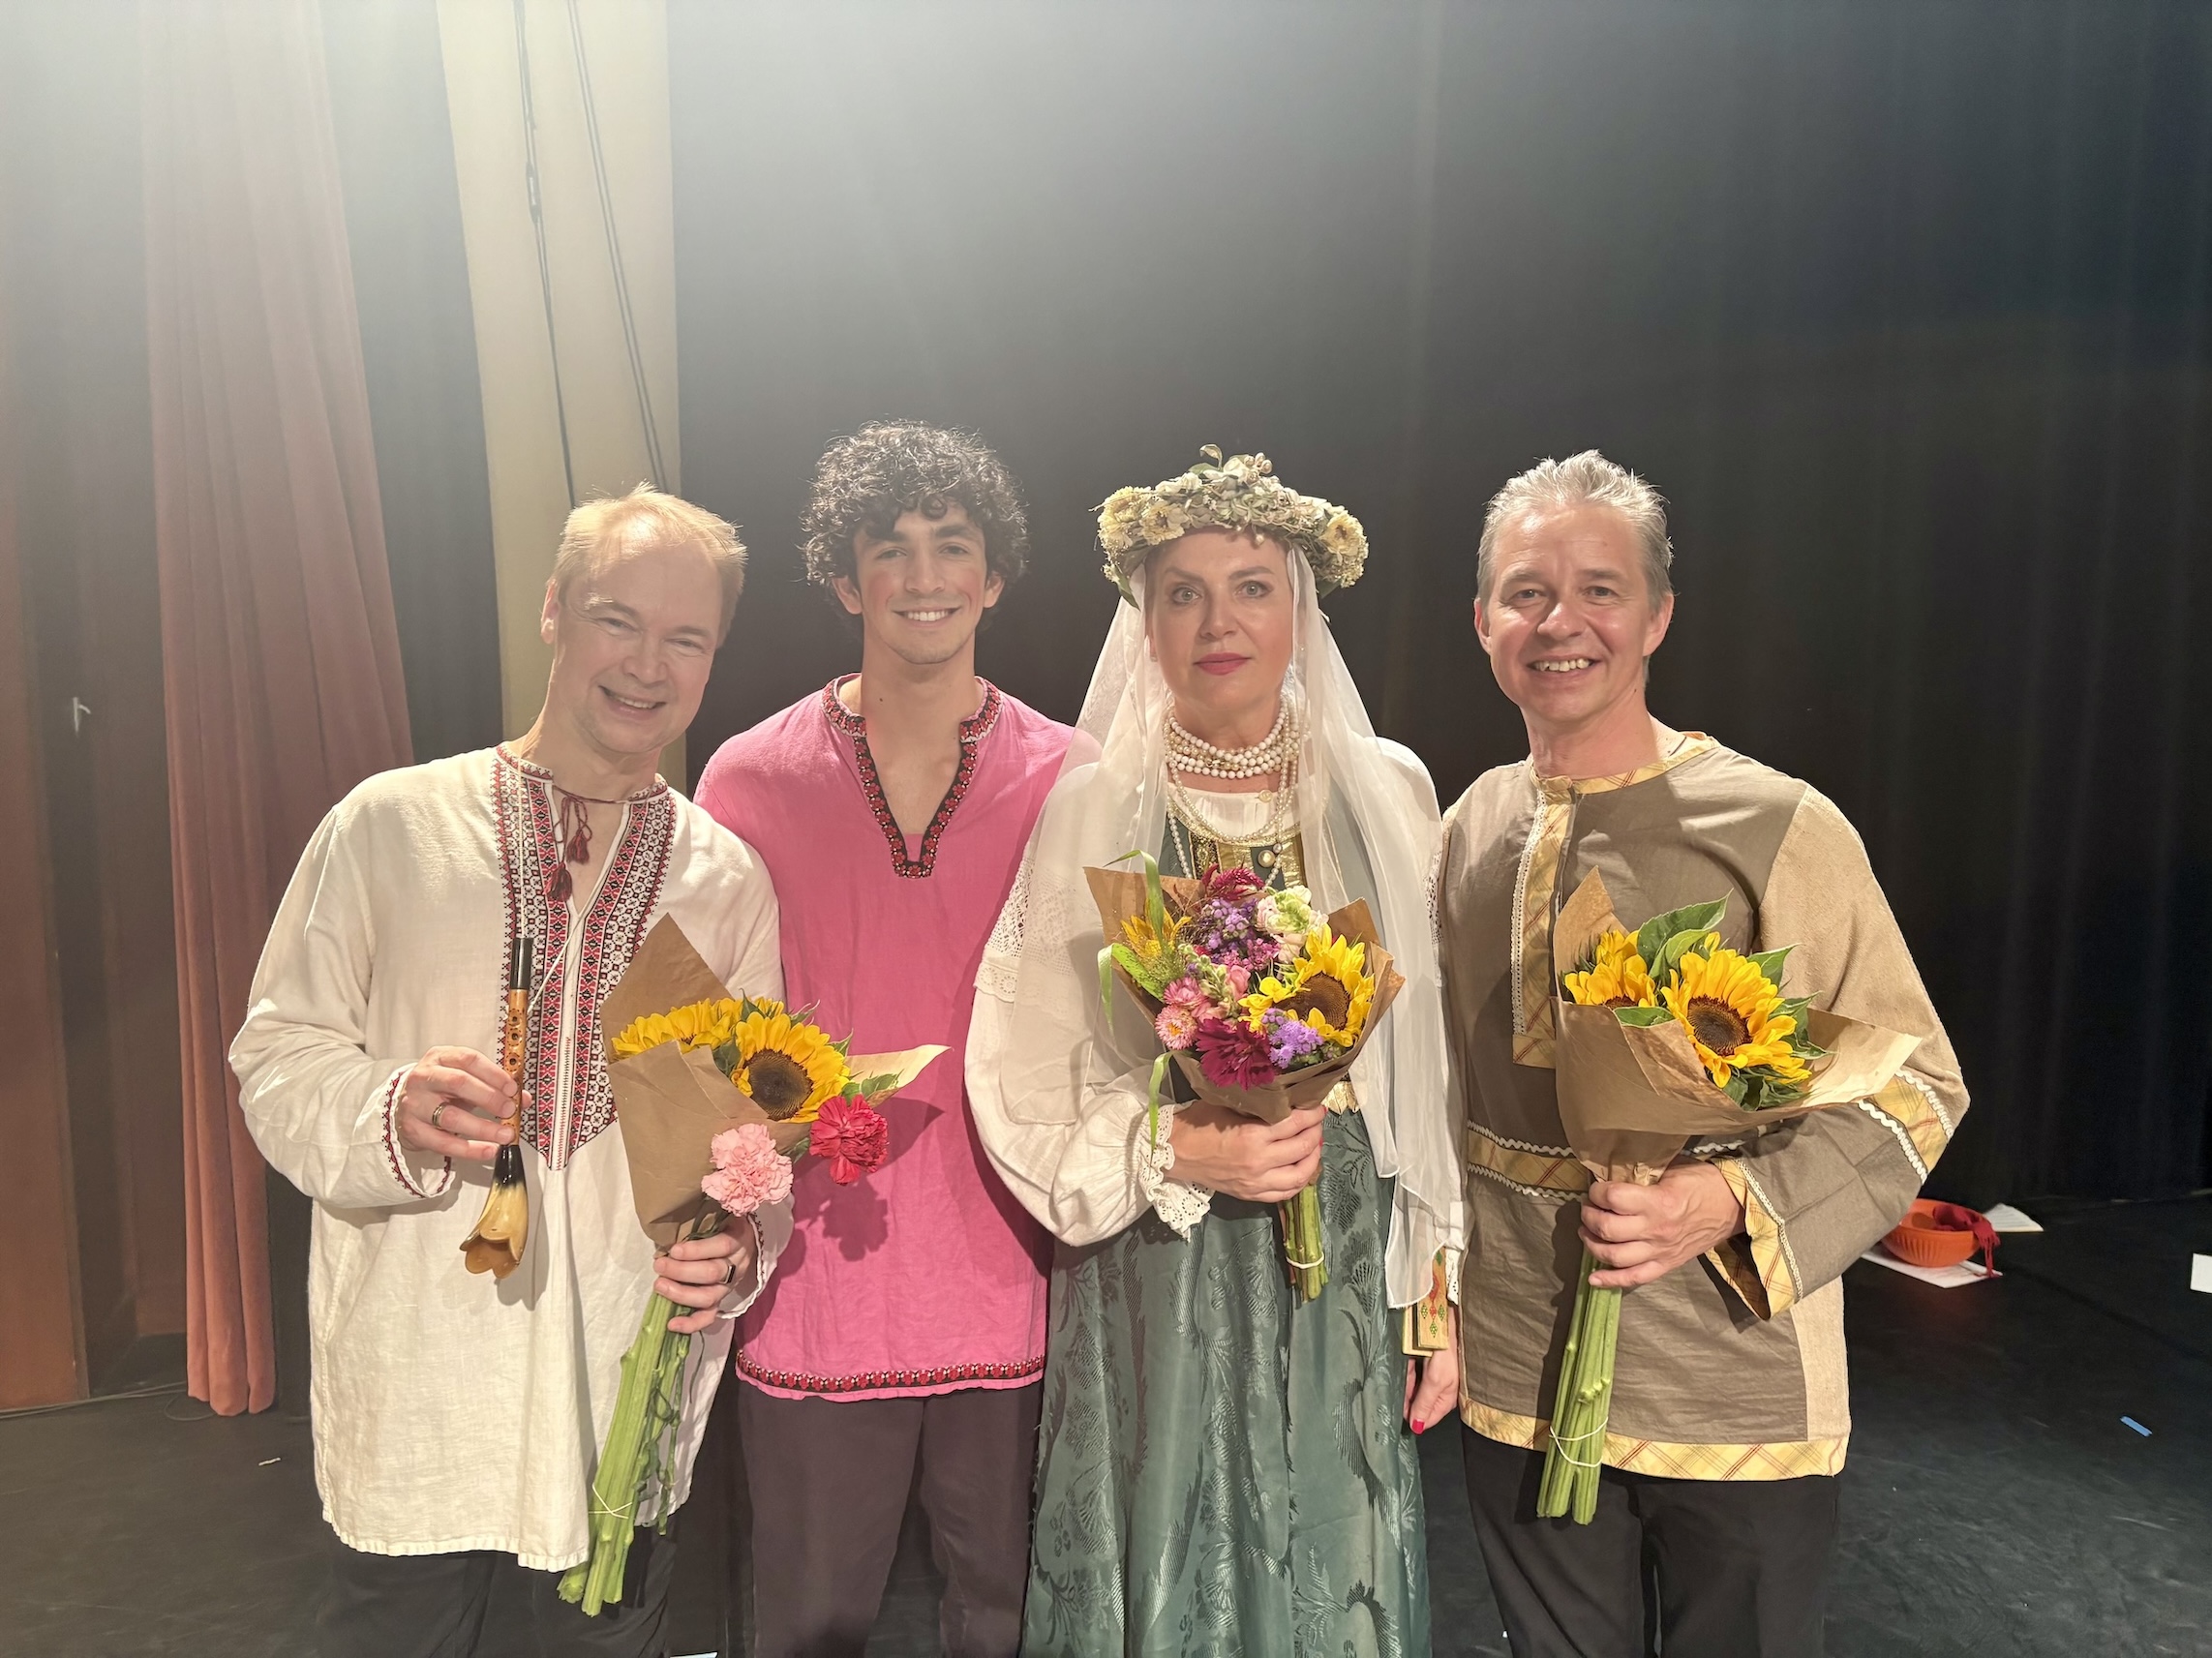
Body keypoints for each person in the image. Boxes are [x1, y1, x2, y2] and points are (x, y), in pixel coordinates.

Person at [231, 487, 786, 1658]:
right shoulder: (391, 827)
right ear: (551, 614)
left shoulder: (721, 878)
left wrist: (737, 1248)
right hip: (422, 1382)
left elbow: (751, 1139)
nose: (645, 665)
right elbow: (276, 1055)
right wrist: (389, 1106)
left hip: (617, 1388)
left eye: (684, 638)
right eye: (615, 619)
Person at [1439, 451, 1970, 1658]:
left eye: (1598, 589)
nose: (1558, 621)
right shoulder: (1467, 825)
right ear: (1480, 623)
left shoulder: (1776, 821)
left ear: (1658, 615)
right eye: (1523, 592)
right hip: (1522, 1351)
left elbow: (1914, 1078)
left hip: (1729, 1360)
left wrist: (1723, 1196)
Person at [967, 449, 1465, 1656]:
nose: (1216, 621)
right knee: (1166, 1535)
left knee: (1329, 1545)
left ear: (1300, 606)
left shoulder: (1384, 788)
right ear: (1143, 622)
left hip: (1336, 1235)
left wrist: (1435, 1282)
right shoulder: (1097, 806)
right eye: (1180, 592)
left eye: (1249, 585)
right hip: (1162, 1252)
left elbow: (1429, 1052)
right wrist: (1173, 1149)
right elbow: (1025, 1058)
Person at [694, 421, 1083, 1658]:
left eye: (950, 547)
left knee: (1011, 1618)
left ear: (994, 575)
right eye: (891, 550)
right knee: (812, 1619)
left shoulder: (1075, 776)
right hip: (817, 1276)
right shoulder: (749, 778)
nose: (922, 576)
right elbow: (701, 1032)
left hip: (1017, 1267)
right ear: (844, 579)